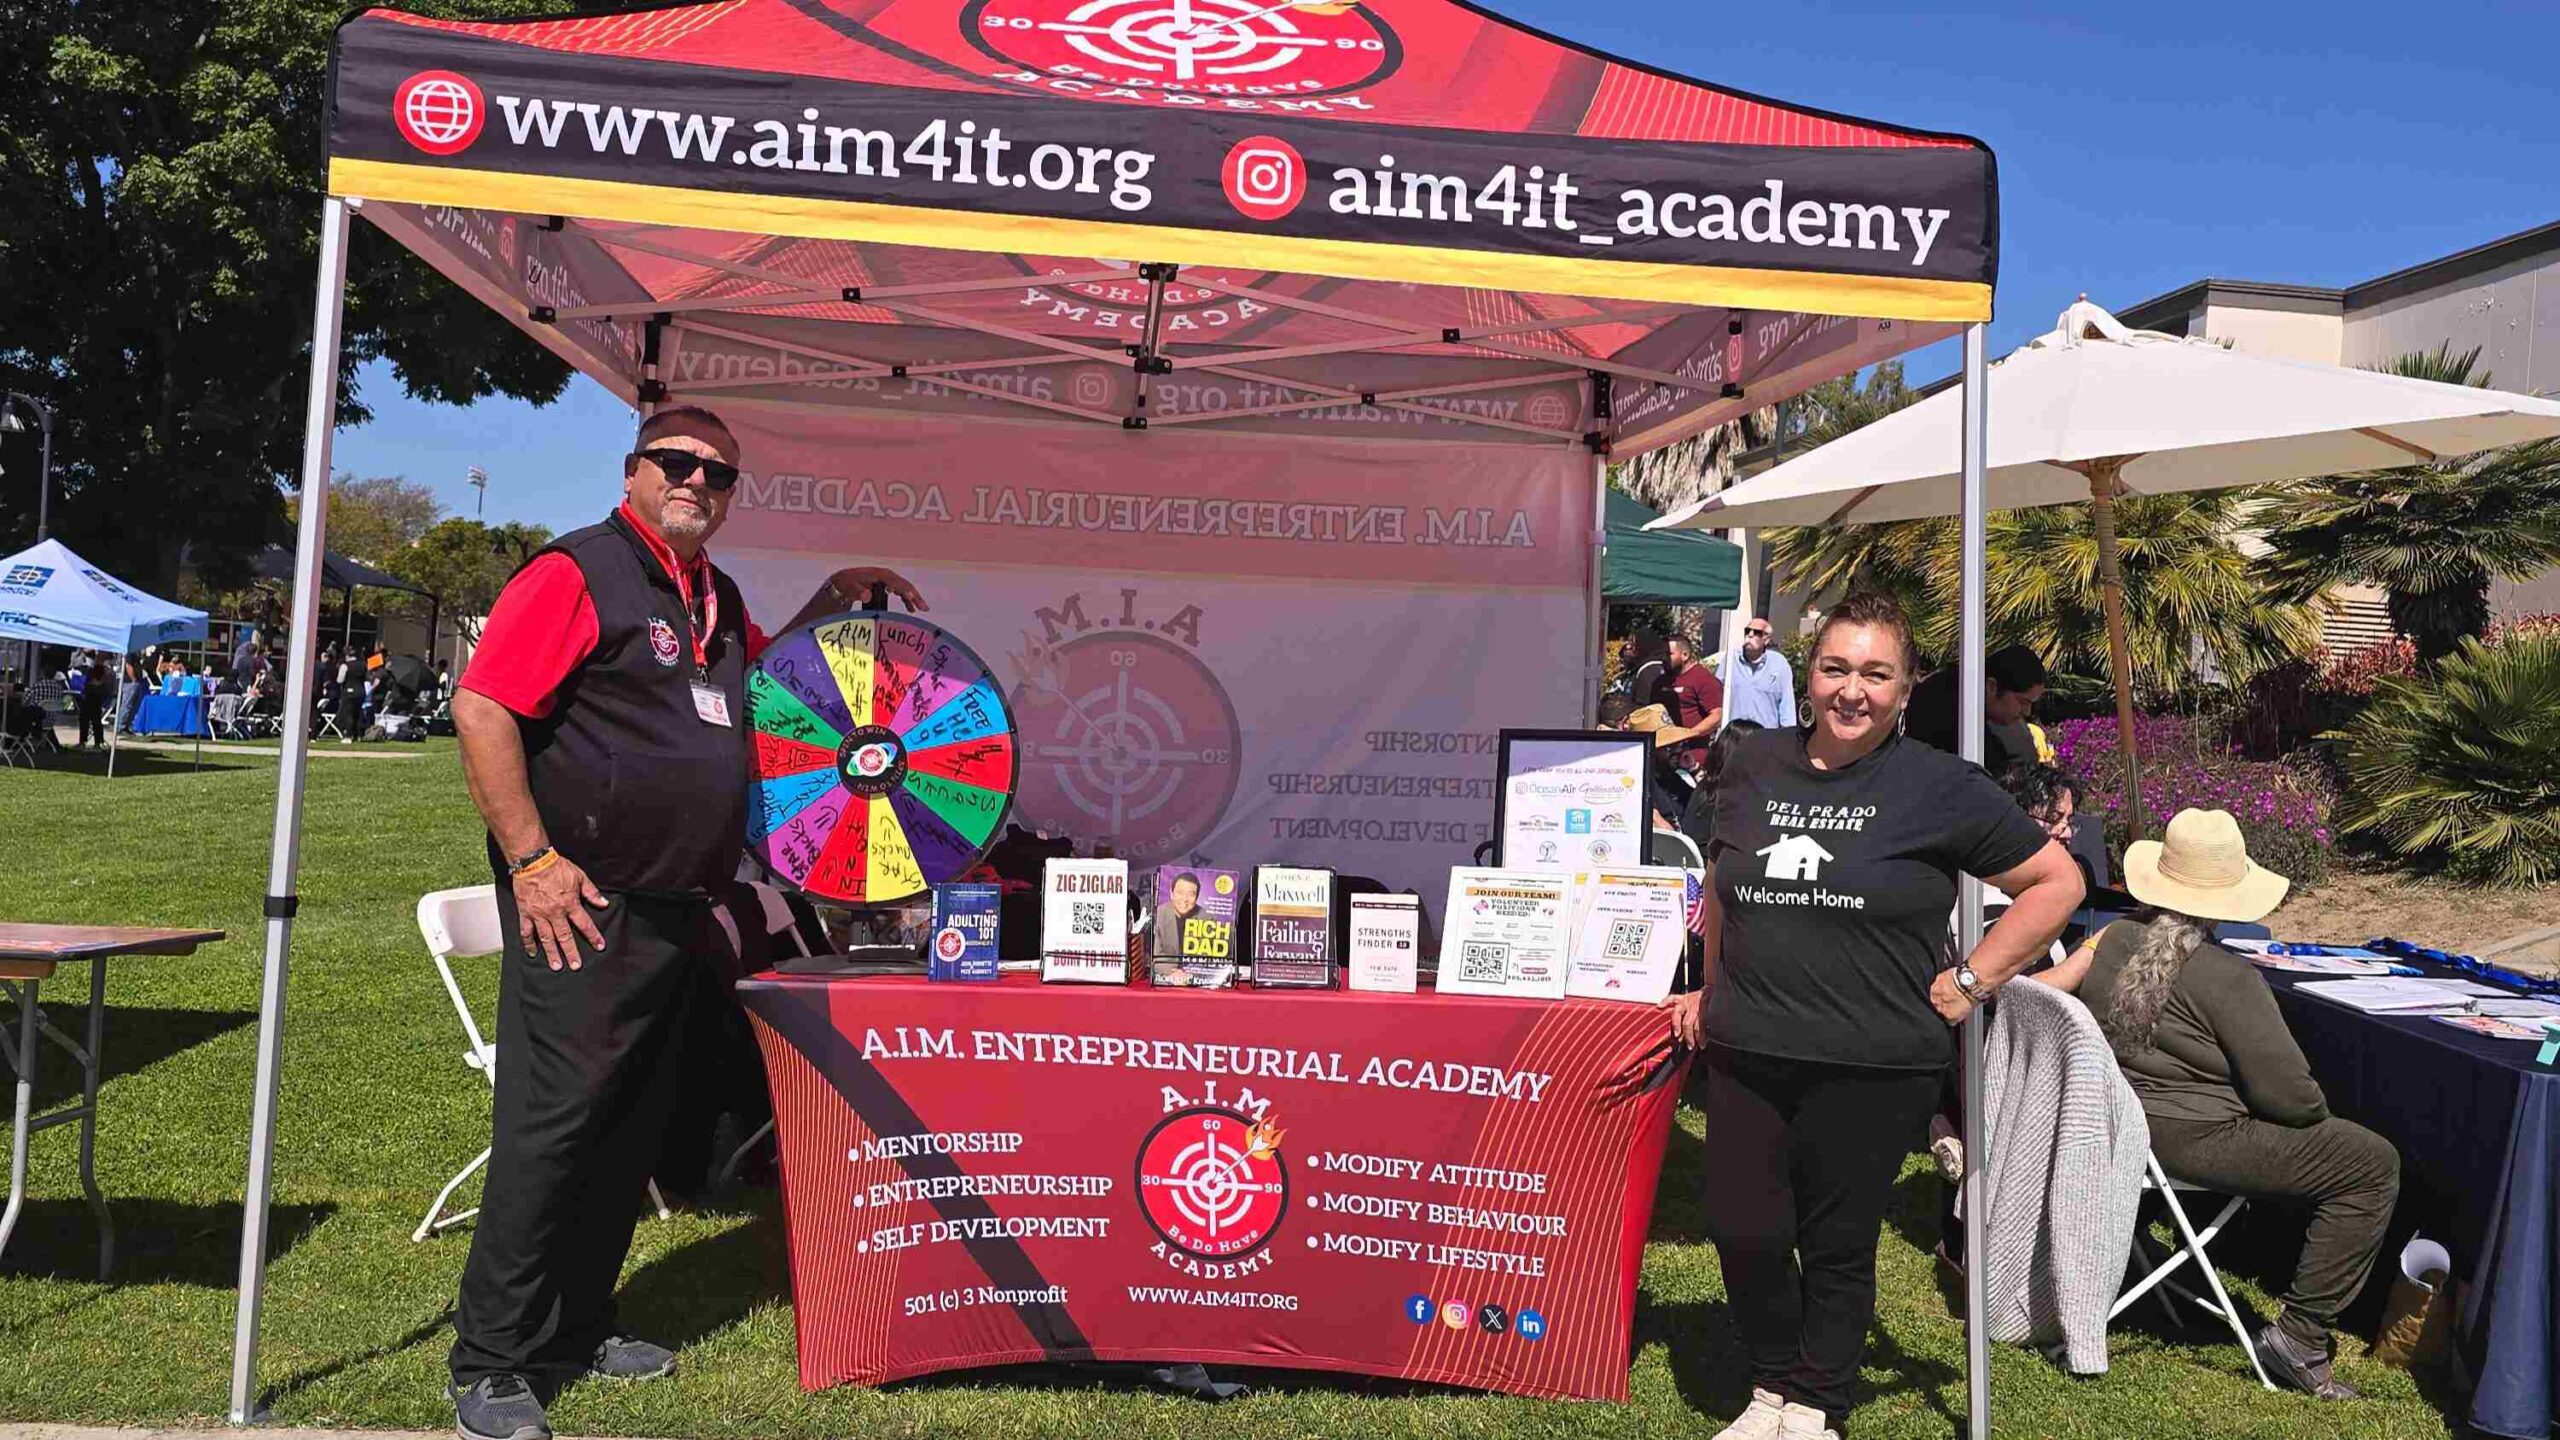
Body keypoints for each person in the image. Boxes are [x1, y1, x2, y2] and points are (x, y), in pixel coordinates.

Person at [444, 404, 926, 1440]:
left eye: (719, 474)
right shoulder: (578, 573)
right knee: (553, 1129)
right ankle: (491, 1360)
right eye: (678, 462)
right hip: (580, 904)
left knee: (628, 1129)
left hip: (677, 902)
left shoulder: (713, 594)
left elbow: (761, 686)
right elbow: (484, 705)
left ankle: (575, 1327)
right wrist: (531, 862)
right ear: (634, 470)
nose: (697, 482)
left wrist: (827, 605)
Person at [1665, 593, 2083, 1440]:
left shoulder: (1939, 786)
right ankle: (1772, 1385)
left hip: (1874, 1057)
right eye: (1835, 668)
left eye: (1874, 673)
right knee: (1742, 1228)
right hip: (1749, 1042)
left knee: (1837, 1242)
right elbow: (1721, 884)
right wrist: (1707, 989)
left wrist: (1973, 979)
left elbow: (2057, 885)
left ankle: (1811, 1404)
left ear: (1904, 687)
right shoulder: (1753, 763)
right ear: (1807, 674)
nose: (1851, 690)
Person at [2074, 808, 2397, 1400]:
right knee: (2368, 1162)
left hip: (2119, 1126)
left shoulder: (2114, 938)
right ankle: (2299, 1336)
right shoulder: (2226, 976)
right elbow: (2291, 1099)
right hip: (2190, 1140)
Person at [1906, 643, 2047, 777]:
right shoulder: (1948, 708)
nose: (2027, 712)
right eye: (2023, 702)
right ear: (1992, 687)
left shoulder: (1992, 713)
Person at [1649, 633, 1725, 773]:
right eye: (1662, 653)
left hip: (1692, 756)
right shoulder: (1659, 682)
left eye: (1669, 654)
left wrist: (1690, 733)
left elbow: (1716, 716)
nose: (1663, 658)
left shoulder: (1703, 679)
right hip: (1662, 756)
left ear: (1684, 655)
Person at [1724, 617, 1797, 729]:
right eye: (1747, 631)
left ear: (1766, 639)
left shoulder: (1779, 664)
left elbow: (1787, 705)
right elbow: (1715, 694)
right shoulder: (1731, 660)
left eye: (1757, 632)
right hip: (1734, 735)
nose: (1750, 635)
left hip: (1765, 737)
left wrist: (1787, 737)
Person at [1153, 871, 1203, 955]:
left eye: (1191, 894)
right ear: (1171, 894)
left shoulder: (1207, 918)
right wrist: (1171, 968)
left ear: (1197, 898)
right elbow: (1156, 954)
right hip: (1167, 967)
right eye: (1180, 893)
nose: (1185, 899)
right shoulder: (1159, 914)